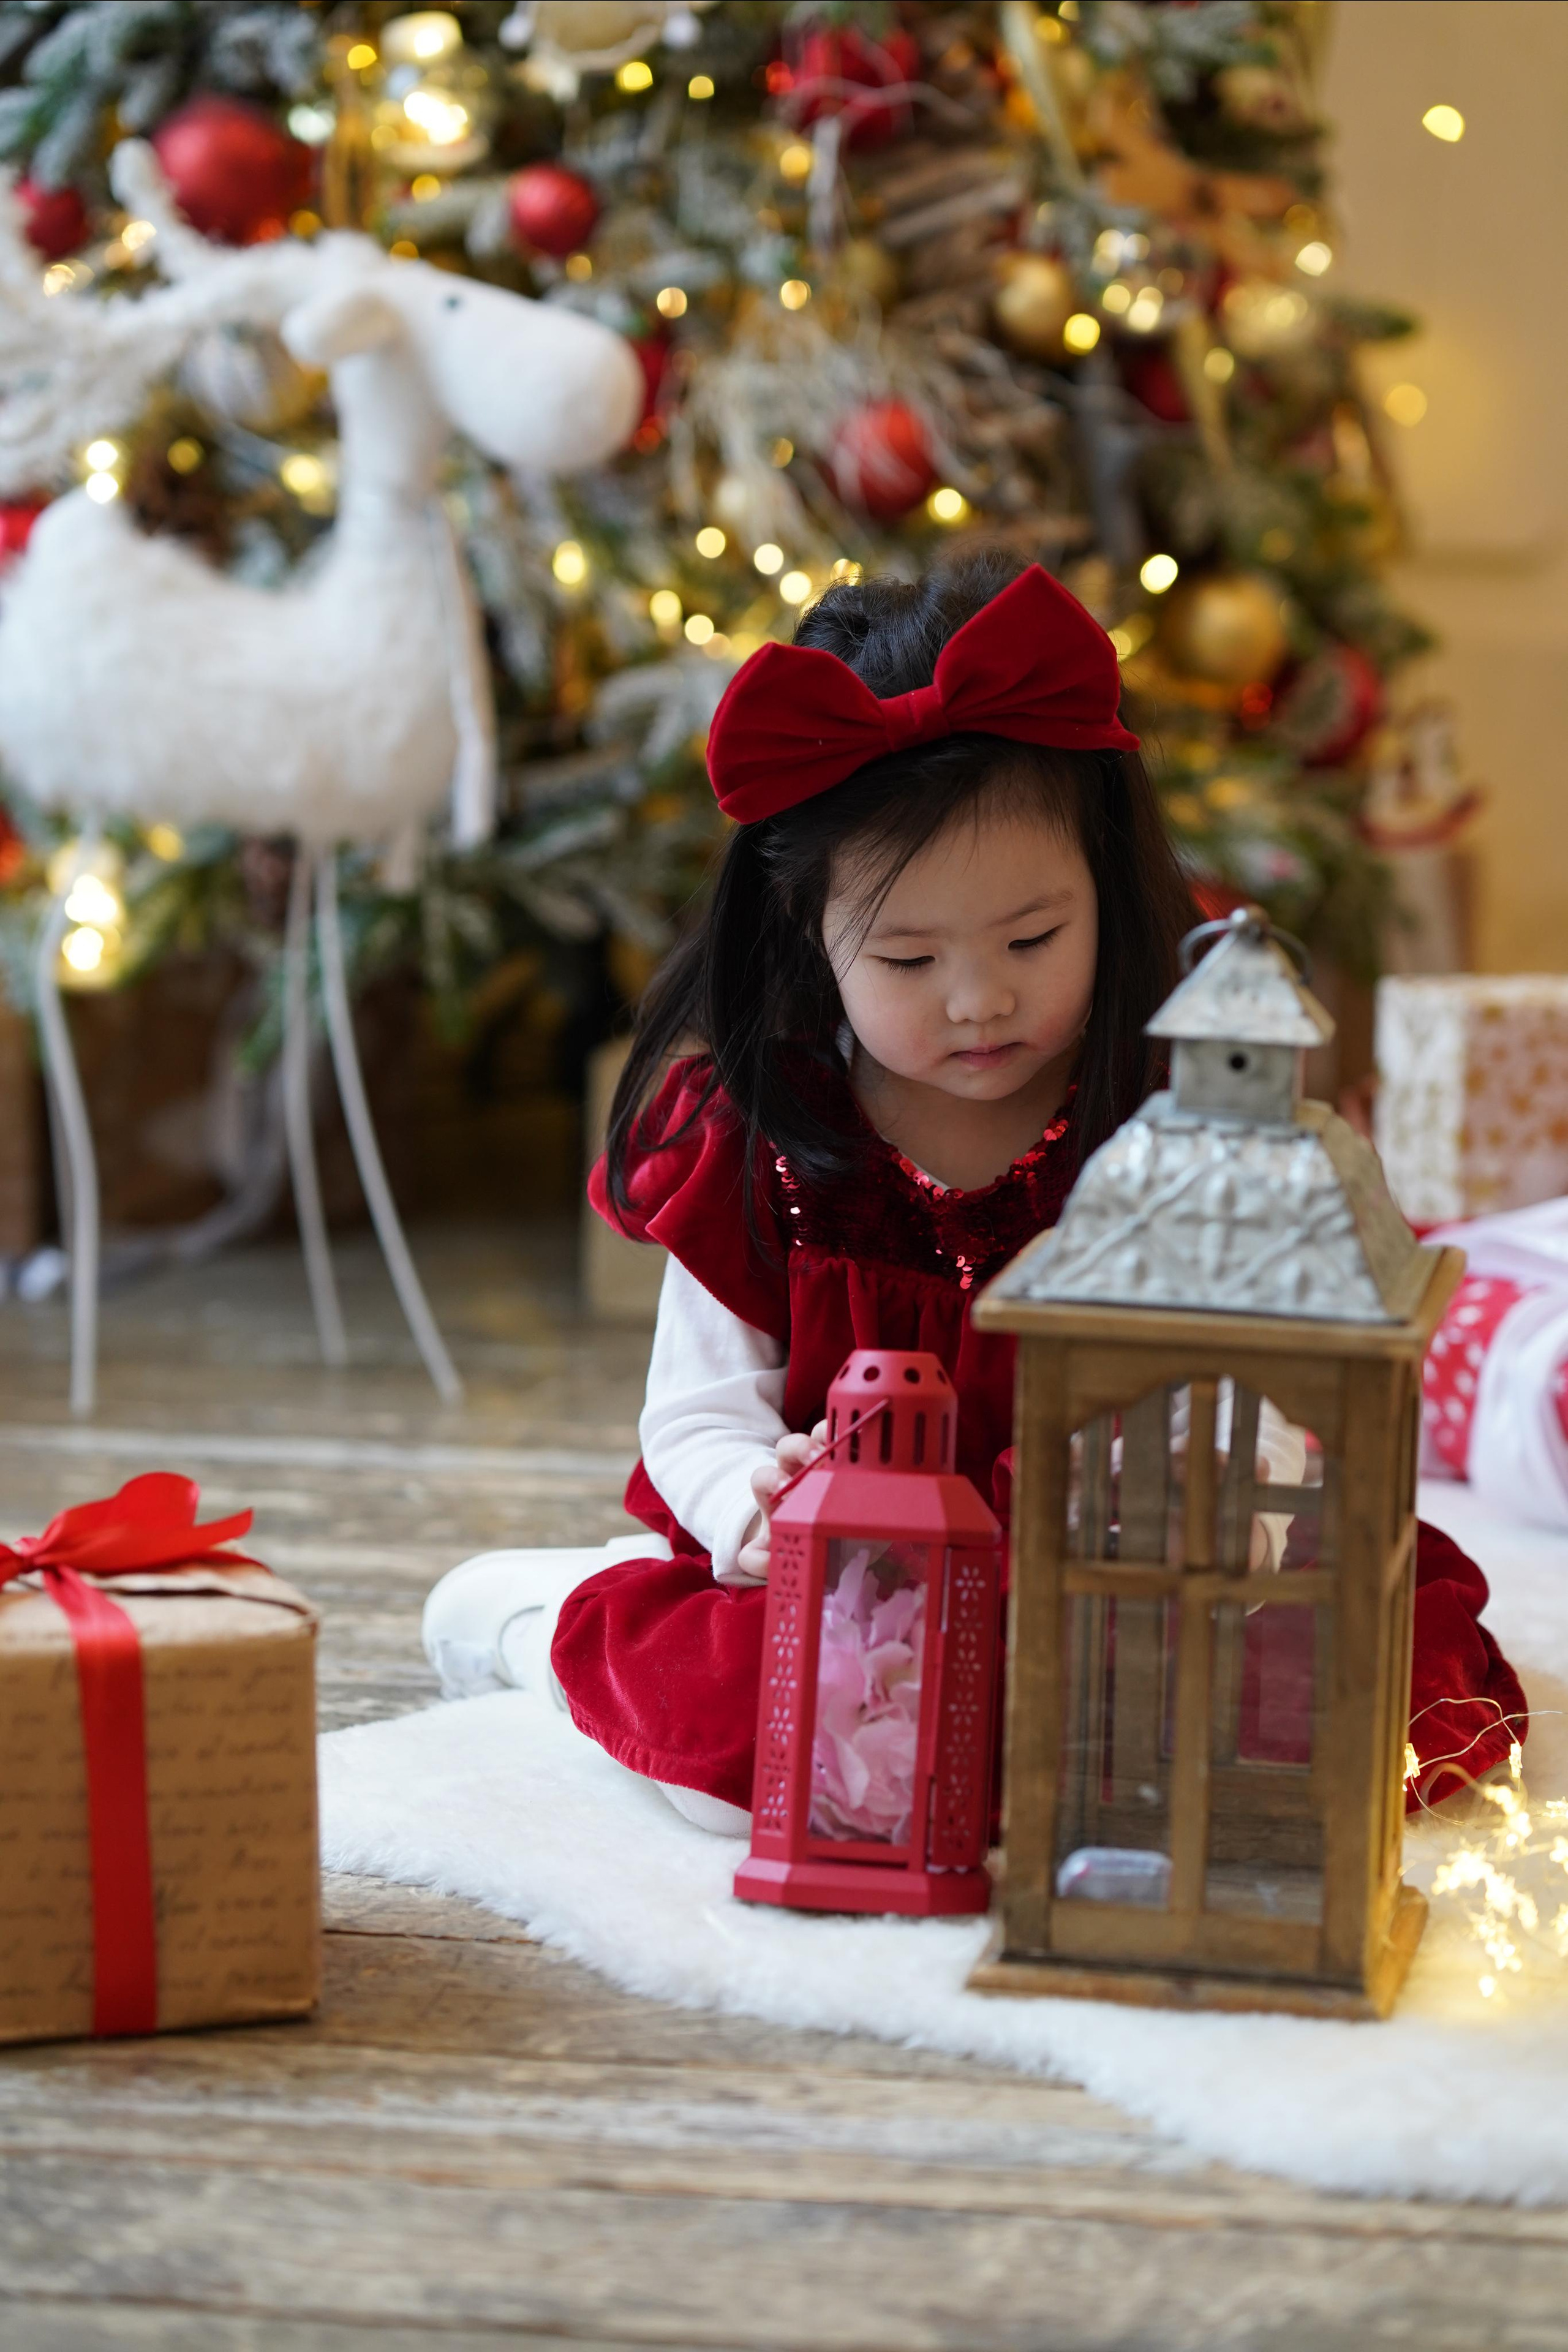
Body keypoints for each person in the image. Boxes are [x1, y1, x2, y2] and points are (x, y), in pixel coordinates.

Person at [422, 553, 1525, 1833]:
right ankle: (532, 1618)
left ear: (1104, 894)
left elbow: (1275, 1385)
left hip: (1122, 1572)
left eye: (1030, 940)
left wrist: (1227, 1503)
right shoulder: (766, 1140)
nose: (977, 999)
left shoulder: (1170, 1129)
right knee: (763, 1763)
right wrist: (747, 1503)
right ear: (808, 936)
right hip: (868, 1596)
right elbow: (695, 1415)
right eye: (905, 956)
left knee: (1343, 1725)